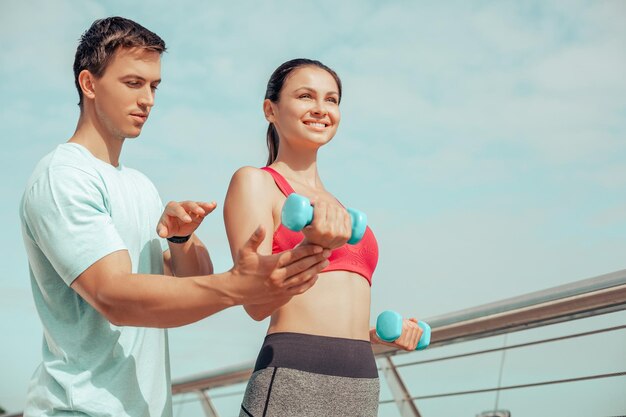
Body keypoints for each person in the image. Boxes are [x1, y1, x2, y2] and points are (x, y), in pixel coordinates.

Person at [19, 19, 329, 417]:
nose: (148, 99)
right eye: (133, 83)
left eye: (154, 86)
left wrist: (180, 241)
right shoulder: (63, 176)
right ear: (89, 84)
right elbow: (114, 296)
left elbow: (189, 284)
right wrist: (237, 286)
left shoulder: (140, 185)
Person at [224, 58, 425, 417]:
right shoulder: (257, 183)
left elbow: (326, 310)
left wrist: (378, 336)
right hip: (293, 379)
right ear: (270, 109)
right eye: (305, 96)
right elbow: (254, 303)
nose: (321, 109)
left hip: (361, 383)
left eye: (331, 100)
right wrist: (315, 245)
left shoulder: (338, 207)